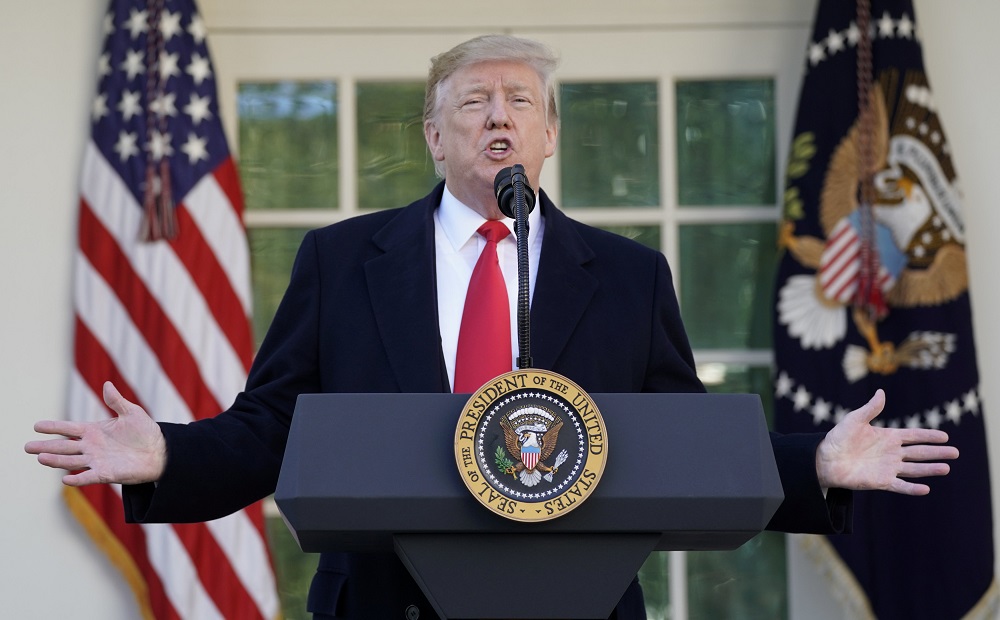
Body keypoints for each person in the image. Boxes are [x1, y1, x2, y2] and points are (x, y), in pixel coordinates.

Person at [27, 35, 957, 620]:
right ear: (436, 136)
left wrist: (814, 466)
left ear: (550, 135)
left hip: (577, 602)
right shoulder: (343, 261)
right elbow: (274, 428)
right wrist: (170, 456)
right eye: (473, 101)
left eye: (519, 101)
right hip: (383, 603)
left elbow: (683, 443)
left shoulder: (630, 275)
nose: (497, 115)